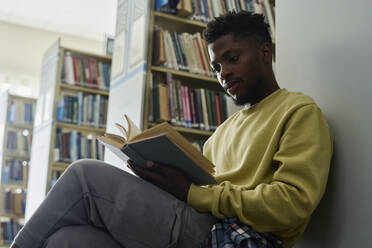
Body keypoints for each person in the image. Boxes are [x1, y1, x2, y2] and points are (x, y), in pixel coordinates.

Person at [11, 11, 333, 248]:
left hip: (237, 237)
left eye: (232, 58)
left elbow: (292, 204)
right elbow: (201, 191)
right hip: (199, 222)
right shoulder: (223, 132)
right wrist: (161, 181)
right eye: (217, 67)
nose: (224, 74)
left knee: (84, 177)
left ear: (265, 52)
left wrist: (193, 193)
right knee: (67, 240)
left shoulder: (299, 112)